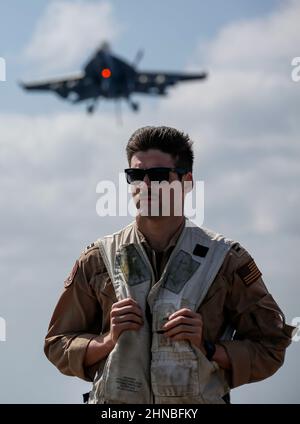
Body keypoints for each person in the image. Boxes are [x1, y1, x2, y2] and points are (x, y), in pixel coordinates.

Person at [44, 126, 294, 404]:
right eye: (136, 176)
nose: (147, 185)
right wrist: (107, 340)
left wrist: (209, 348)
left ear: (187, 182)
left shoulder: (224, 260)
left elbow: (271, 347)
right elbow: (58, 344)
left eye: (160, 176)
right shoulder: (98, 259)